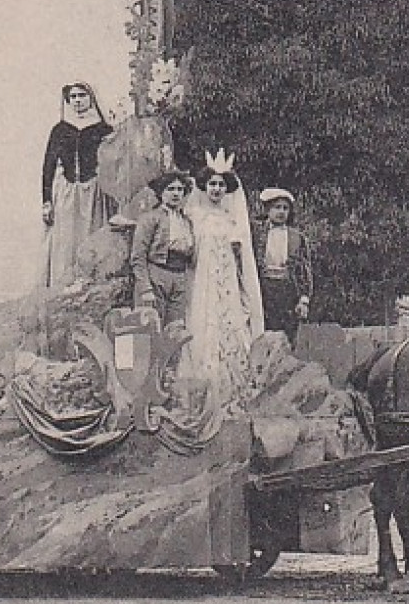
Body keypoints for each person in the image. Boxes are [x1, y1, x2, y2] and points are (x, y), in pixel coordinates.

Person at [180, 152, 264, 415]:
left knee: (232, 325)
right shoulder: (194, 214)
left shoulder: (232, 219)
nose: (216, 189)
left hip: (226, 280)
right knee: (205, 322)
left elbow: (240, 258)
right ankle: (206, 387)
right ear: (204, 186)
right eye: (213, 184)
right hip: (203, 280)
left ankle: (233, 388)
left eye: (221, 185)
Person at [40, 82, 114, 291]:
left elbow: (113, 162)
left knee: (91, 236)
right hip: (67, 192)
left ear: (91, 97)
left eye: (82, 95)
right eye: (72, 97)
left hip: (94, 192)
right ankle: (61, 288)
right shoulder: (60, 130)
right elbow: (48, 165)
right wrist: (46, 201)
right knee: (65, 242)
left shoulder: (104, 129)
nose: (77, 101)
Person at [128, 171, 196, 328]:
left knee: (175, 329)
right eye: (170, 189)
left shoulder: (186, 221)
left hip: (179, 277)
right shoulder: (150, 218)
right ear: (161, 192)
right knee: (151, 327)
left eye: (180, 190)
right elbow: (138, 256)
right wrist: (145, 288)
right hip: (156, 275)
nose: (176, 194)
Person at [252, 188, 313, 342]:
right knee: (263, 334)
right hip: (263, 291)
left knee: (287, 337)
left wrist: (303, 299)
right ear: (267, 210)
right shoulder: (257, 234)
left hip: (288, 292)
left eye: (285, 208)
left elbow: (304, 270)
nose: (281, 212)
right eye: (277, 207)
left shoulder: (297, 237)